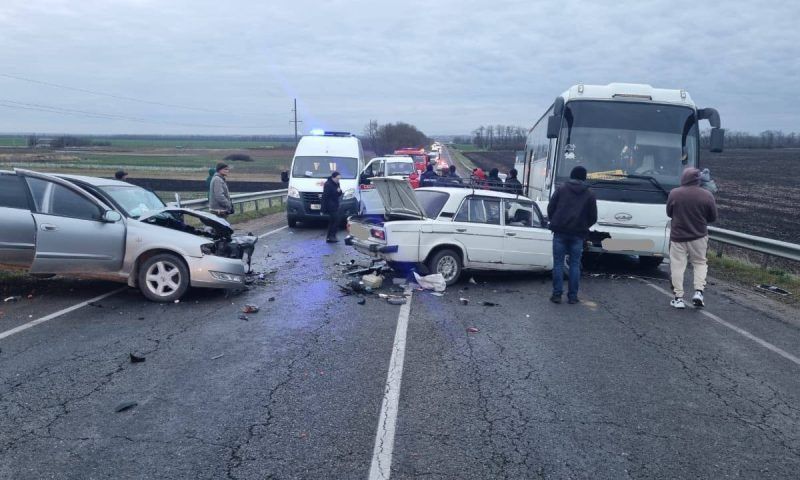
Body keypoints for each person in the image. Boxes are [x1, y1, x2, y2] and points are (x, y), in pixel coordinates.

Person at [666, 167, 718, 309]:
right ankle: (699, 292)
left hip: (678, 237)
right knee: (700, 263)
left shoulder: (674, 193)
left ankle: (678, 298)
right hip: (699, 236)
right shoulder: (707, 195)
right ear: (698, 179)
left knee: (677, 266)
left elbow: (669, 213)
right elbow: (713, 217)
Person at [547, 166, 597, 304]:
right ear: (584, 177)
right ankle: (573, 296)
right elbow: (593, 216)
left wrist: (555, 221)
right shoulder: (590, 194)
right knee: (575, 264)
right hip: (578, 234)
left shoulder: (561, 189)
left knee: (558, 264)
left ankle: (557, 295)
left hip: (560, 232)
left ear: (572, 175)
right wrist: (584, 226)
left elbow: (551, 207)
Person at [321, 171, 343, 243]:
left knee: (332, 221)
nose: (338, 180)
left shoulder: (337, 184)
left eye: (339, 179)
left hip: (335, 205)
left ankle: (330, 237)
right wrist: (323, 209)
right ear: (333, 177)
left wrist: (339, 191)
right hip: (330, 206)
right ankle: (332, 236)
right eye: (337, 178)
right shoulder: (328, 184)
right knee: (336, 220)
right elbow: (324, 197)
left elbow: (338, 194)